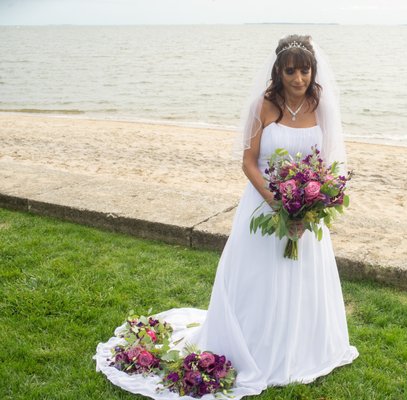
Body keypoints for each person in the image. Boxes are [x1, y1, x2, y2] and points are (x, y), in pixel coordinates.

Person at [95, 34, 358, 399]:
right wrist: (276, 201)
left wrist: (311, 203)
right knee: (259, 277)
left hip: (306, 212)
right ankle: (255, 344)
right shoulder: (263, 106)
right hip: (264, 206)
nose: (299, 79)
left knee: (302, 277)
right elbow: (248, 161)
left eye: (305, 70)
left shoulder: (321, 101)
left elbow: (329, 162)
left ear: (313, 70)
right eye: (291, 71)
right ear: (279, 72)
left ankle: (302, 348)